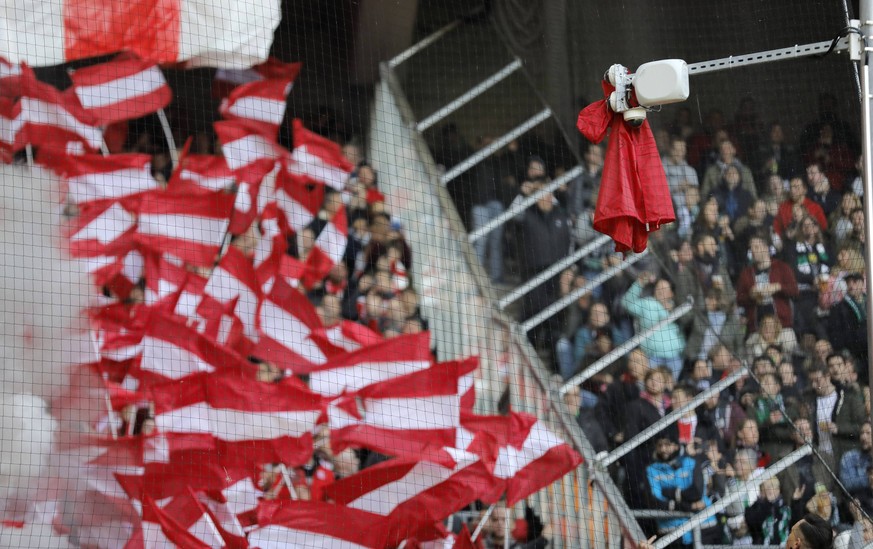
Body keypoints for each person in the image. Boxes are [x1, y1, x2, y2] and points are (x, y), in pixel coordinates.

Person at [621, 272, 688, 381]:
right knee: (652, 387)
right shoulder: (647, 303)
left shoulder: (679, 307)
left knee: (668, 390)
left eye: (664, 289)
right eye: (658, 288)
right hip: (652, 356)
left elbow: (687, 324)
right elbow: (626, 303)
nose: (660, 291)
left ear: (671, 293)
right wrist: (639, 284)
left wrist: (673, 310)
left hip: (674, 357)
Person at [736, 235, 799, 333]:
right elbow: (739, 299)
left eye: (756, 247)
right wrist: (751, 295)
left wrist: (778, 287)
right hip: (757, 329)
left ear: (765, 248)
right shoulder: (746, 274)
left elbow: (795, 290)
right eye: (751, 248)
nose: (753, 251)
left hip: (782, 327)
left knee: (789, 344)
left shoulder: (782, 267)